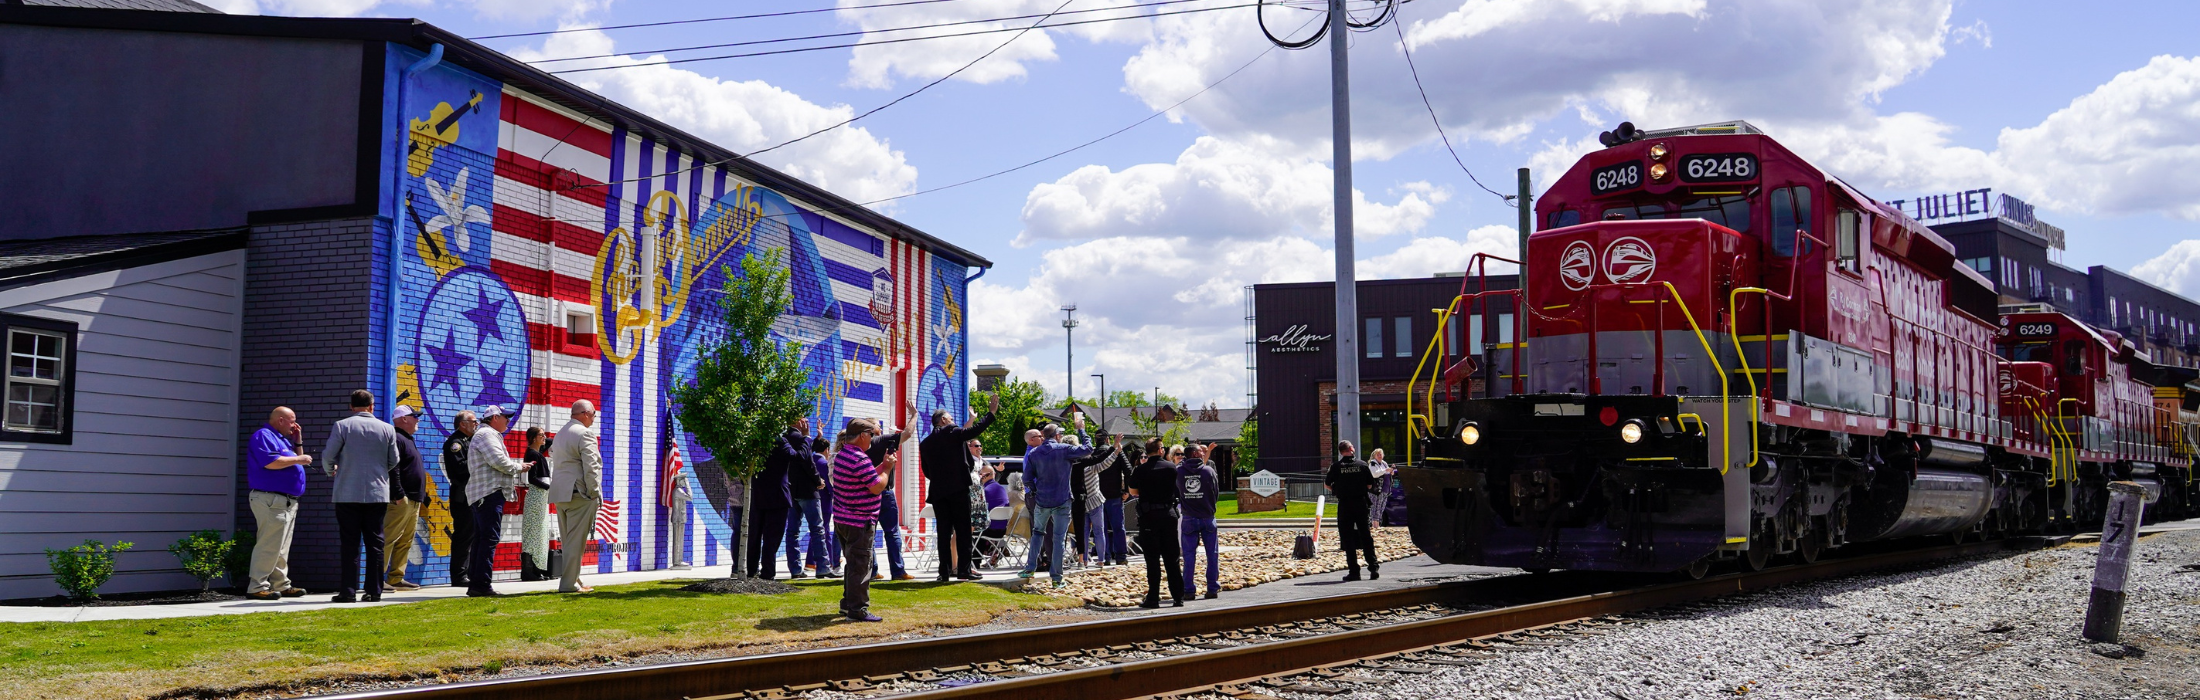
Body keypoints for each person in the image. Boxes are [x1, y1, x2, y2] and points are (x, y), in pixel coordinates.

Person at [323, 390, 400, 603]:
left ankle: (348, 591)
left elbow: (328, 455)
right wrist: (380, 472)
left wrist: (332, 470)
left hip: (347, 492)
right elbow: (394, 460)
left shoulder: (342, 426)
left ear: (351, 406)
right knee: (375, 542)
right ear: (372, 406)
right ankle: (374, 591)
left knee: (350, 543)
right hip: (377, 493)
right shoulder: (387, 429)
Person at [919, 394, 999, 581]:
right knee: (963, 531)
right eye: (951, 419)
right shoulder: (953, 433)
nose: (954, 422)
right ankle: (963, 570)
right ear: (944, 420)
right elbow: (975, 430)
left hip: (939, 493)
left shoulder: (926, 443)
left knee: (943, 533)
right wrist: (991, 413)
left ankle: (944, 572)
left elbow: (927, 471)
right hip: (958, 490)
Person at [831, 419, 898, 622]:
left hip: (844, 520)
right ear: (862, 436)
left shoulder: (845, 455)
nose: (873, 439)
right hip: (859, 522)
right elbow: (876, 486)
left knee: (852, 564)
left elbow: (866, 477)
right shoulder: (859, 458)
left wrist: (882, 466)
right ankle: (858, 610)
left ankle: (847, 604)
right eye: (871, 434)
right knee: (860, 566)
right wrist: (887, 469)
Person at [464, 405, 534, 596]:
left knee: (482, 539)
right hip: (488, 493)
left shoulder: (484, 434)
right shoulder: (487, 435)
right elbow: (499, 461)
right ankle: (481, 585)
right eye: (505, 417)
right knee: (488, 539)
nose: (508, 421)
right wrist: (519, 467)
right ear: (494, 418)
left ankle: (477, 584)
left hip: (484, 494)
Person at [243, 407, 312, 601]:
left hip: (286, 501)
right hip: (270, 499)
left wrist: (298, 442)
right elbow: (271, 463)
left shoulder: (282, 439)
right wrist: (300, 458)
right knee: (269, 544)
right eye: (292, 421)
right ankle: (257, 586)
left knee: (281, 547)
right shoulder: (263, 435)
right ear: (280, 420)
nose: (295, 425)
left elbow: (297, 462)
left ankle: (281, 584)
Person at [1020, 418, 1092, 587]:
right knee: (1059, 539)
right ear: (1057, 436)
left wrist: (1036, 492)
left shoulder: (1034, 453)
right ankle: (1057, 578)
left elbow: (1026, 478)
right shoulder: (1064, 449)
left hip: (1042, 500)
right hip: (1062, 499)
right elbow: (1088, 449)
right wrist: (1081, 430)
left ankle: (1030, 567)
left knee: (1037, 533)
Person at [548, 400, 603, 594]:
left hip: (560, 492)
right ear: (586, 413)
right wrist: (595, 492)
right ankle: (568, 584)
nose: (594, 418)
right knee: (576, 542)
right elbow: (591, 466)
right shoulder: (585, 433)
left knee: (569, 541)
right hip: (579, 493)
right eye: (594, 414)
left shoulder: (560, 434)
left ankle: (574, 579)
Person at [1129, 438, 1185, 608]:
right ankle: (1178, 597)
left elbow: (1132, 491)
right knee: (1172, 557)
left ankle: (1153, 597)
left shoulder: (1140, 470)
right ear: (1161, 450)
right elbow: (1177, 488)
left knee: (1152, 559)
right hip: (1168, 515)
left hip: (1149, 516)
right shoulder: (1171, 468)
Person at [750, 418, 803, 579]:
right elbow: (798, 457)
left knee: (754, 536)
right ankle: (767, 572)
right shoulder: (779, 441)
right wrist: (806, 438)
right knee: (772, 539)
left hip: (758, 494)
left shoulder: (753, 442)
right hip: (777, 496)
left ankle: (751, 570)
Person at [384, 405, 428, 592]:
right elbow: (393, 467)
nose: (417, 420)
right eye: (414, 416)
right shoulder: (396, 438)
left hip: (414, 499)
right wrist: (398, 493)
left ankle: (396, 578)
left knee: (405, 541)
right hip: (401, 499)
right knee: (389, 538)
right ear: (403, 419)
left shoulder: (408, 439)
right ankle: (377, 579)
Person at [862, 423, 913, 581]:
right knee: (892, 533)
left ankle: (872, 571)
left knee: (869, 534)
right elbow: (907, 433)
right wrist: (913, 415)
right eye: (878, 426)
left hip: (868, 494)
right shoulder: (882, 441)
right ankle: (897, 570)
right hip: (885, 493)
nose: (881, 429)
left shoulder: (860, 449)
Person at [1326, 440, 1380, 581]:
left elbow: (1327, 484)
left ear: (1340, 451)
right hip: (1361, 503)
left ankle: (1354, 571)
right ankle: (1373, 567)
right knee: (1365, 535)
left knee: (1347, 537)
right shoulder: (1362, 465)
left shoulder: (1336, 467)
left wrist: (1338, 490)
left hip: (1345, 504)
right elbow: (1370, 485)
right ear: (1351, 449)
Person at [1177, 443, 1222, 600]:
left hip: (1188, 516)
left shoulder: (1179, 472)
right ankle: (1212, 588)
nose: (1204, 454)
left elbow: (1176, 492)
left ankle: (1188, 590)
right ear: (1195, 454)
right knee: (1212, 554)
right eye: (1201, 452)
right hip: (1207, 517)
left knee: (1189, 556)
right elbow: (1215, 493)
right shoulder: (1208, 471)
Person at [441, 411, 478, 588]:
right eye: (473, 421)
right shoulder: (455, 443)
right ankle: (459, 575)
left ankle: (469, 572)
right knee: (463, 536)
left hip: (473, 494)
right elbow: (460, 468)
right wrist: (480, 463)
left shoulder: (471, 441)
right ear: (462, 424)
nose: (476, 424)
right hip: (462, 495)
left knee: (472, 535)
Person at [785, 427, 826, 579]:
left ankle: (795, 569)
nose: (807, 422)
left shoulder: (785, 439)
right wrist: (818, 480)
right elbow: (807, 461)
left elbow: (803, 453)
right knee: (817, 529)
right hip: (807, 491)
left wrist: (815, 439)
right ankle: (822, 566)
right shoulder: (802, 439)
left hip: (791, 491)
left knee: (792, 532)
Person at [520, 426, 552, 582]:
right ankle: (529, 569)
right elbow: (532, 478)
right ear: (533, 438)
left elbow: (551, 442)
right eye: (541, 435)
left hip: (542, 497)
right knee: (534, 532)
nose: (544, 437)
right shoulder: (532, 454)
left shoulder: (537, 452)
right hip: (537, 496)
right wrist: (549, 487)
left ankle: (538, 567)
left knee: (540, 532)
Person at [810, 436, 842, 578]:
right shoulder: (823, 463)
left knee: (817, 531)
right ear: (826, 449)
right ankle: (828, 559)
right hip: (824, 500)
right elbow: (829, 482)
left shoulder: (810, 460)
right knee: (825, 531)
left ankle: (811, 561)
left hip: (812, 498)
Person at [1099, 435, 1131, 566]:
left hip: (1097, 496)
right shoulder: (1117, 453)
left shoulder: (1094, 453)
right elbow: (1128, 470)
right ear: (1107, 440)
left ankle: (1105, 557)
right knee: (1118, 528)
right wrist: (1127, 491)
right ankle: (1121, 557)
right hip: (1114, 495)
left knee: (1101, 529)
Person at [978, 455, 1011, 567]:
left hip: (988, 529)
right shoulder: (1001, 488)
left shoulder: (984, 491)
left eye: (980, 475)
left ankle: (974, 561)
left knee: (969, 529)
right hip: (1002, 530)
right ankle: (996, 553)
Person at [1366, 448, 1394, 529]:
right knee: (1375, 507)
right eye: (1378, 454)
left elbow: (1388, 473)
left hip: (1385, 490)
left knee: (1381, 507)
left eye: (1381, 454)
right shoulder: (1372, 464)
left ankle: (1377, 524)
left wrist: (1391, 471)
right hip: (1376, 490)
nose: (1379, 456)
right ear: (1374, 456)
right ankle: (1374, 525)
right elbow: (1374, 474)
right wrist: (1385, 470)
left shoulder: (1384, 463)